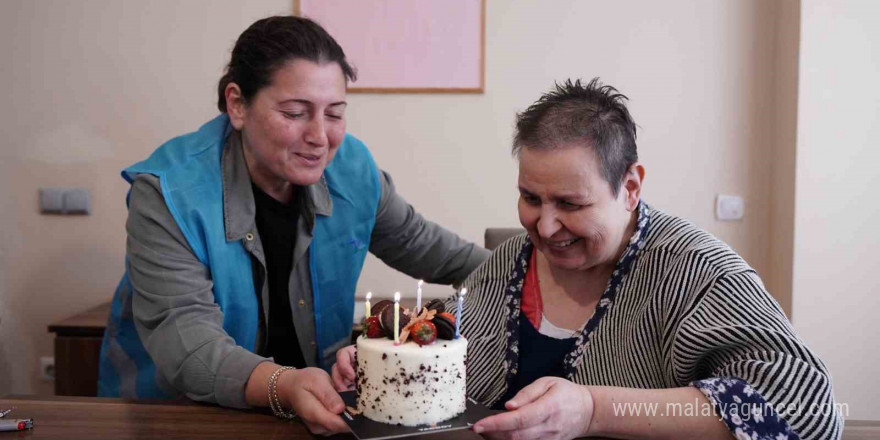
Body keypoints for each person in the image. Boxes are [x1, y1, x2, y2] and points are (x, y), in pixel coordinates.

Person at [333, 79, 843, 440]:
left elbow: (809, 411)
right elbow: (440, 341)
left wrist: (596, 409)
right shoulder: (510, 263)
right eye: (531, 198)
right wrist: (374, 357)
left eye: (571, 205)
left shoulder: (697, 272)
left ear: (631, 187)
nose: (545, 227)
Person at [97, 16, 489, 436]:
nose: (320, 136)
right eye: (295, 113)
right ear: (237, 104)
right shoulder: (168, 192)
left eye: (335, 113)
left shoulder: (352, 169)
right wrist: (283, 385)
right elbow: (188, 342)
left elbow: (435, 251)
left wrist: (542, 267)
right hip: (180, 415)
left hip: (313, 411)